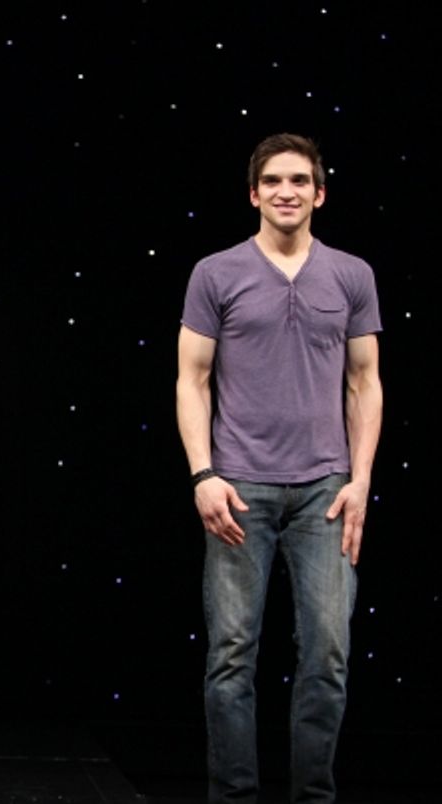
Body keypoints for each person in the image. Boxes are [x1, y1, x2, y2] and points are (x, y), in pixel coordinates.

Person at [176, 133, 382, 803]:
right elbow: (191, 379)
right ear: (253, 193)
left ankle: (312, 796)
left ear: (319, 194)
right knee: (231, 656)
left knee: (328, 653)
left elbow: (365, 382)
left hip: (326, 491)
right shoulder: (216, 273)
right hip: (239, 488)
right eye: (272, 181)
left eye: (298, 181)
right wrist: (204, 475)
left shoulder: (351, 274)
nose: (285, 192)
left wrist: (360, 481)